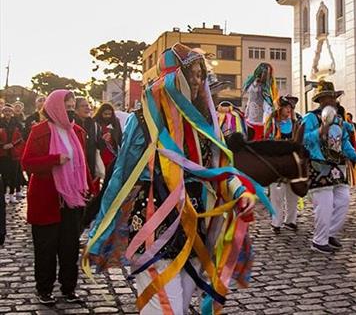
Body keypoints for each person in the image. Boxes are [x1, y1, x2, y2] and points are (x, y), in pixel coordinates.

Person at [86, 44, 266, 314]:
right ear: (174, 77)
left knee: (180, 303)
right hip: (154, 226)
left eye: (200, 74)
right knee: (163, 306)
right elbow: (121, 177)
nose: (197, 80)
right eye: (192, 73)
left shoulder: (206, 123)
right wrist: (101, 229)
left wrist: (240, 192)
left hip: (195, 229)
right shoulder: (144, 121)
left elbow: (219, 168)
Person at [21, 90, 89, 305]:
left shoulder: (77, 131)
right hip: (46, 199)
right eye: (66, 107)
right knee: (46, 249)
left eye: (72, 107)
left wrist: (88, 185)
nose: (70, 111)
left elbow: (81, 162)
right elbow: (28, 163)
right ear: (53, 108)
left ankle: (69, 288)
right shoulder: (40, 131)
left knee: (69, 247)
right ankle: (44, 289)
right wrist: (54, 159)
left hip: (72, 201)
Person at [302, 81, 356, 254]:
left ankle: (329, 233)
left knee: (343, 201)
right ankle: (319, 240)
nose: (331, 100)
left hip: (336, 165)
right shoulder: (311, 117)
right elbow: (302, 140)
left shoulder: (340, 120)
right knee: (324, 204)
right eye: (327, 97)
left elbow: (344, 143)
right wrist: (320, 131)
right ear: (320, 100)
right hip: (318, 165)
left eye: (332, 97)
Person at [266, 95, 302, 233]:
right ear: (280, 108)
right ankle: (276, 222)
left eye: (291, 107)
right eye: (286, 107)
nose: (289, 110)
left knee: (293, 192)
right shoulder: (272, 122)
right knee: (277, 193)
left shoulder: (296, 122)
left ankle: (291, 220)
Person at [242, 62, 278, 140]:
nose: (265, 75)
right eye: (264, 72)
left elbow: (272, 100)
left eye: (267, 73)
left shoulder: (269, 86)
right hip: (251, 117)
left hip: (263, 119)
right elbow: (246, 92)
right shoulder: (251, 82)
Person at [0, 105, 25, 202]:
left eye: (9, 111)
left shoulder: (17, 123)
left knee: (14, 174)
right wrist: (3, 145)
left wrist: (12, 144)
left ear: (12, 112)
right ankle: (4, 194)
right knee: (5, 174)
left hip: (14, 152)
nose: (7, 113)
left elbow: (21, 136)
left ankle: (12, 193)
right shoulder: (0, 122)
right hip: (3, 153)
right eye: (5, 111)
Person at [92, 103, 123, 172]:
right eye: (105, 114)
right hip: (100, 151)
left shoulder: (115, 121)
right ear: (101, 113)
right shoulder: (95, 122)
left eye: (110, 114)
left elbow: (119, 136)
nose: (108, 116)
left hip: (112, 152)